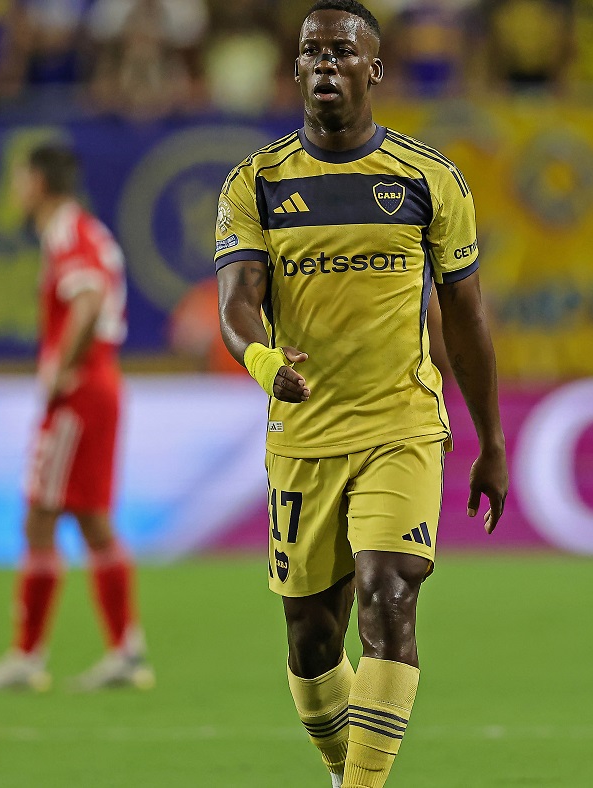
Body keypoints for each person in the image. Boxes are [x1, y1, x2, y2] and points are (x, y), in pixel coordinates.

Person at [214, 3, 507, 787]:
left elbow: (468, 322)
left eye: (343, 52)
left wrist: (492, 441)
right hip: (304, 435)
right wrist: (262, 360)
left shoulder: (428, 179)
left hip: (400, 425)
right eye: (312, 51)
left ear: (373, 69)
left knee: (388, 594)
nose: (326, 63)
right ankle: (347, 772)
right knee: (312, 641)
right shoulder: (256, 183)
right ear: (295, 67)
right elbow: (236, 305)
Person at [0, 144, 153, 693]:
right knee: (92, 520)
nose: (14, 190)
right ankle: (125, 650)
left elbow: (88, 297)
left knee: (40, 516)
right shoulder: (84, 230)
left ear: (37, 182)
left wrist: (60, 367)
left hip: (80, 390)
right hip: (102, 385)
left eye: (18, 178)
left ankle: (27, 655)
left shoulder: (67, 232)